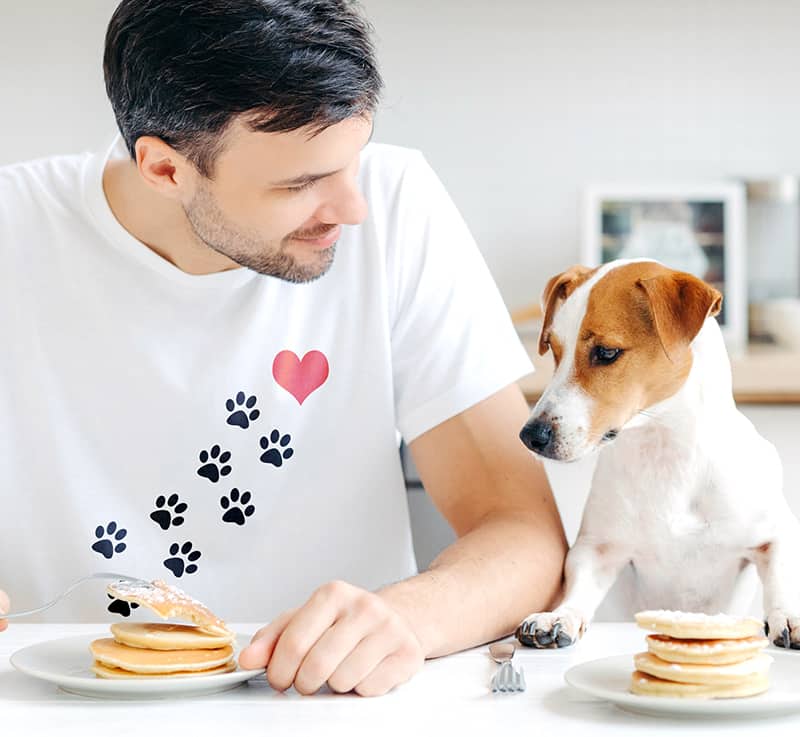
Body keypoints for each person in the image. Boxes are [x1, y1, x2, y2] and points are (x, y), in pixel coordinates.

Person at [0, 0, 567, 696]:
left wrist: (406, 618)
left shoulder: (396, 205)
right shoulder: (13, 232)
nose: (351, 208)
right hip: (60, 701)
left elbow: (524, 532)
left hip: (327, 703)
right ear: (165, 169)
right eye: (300, 184)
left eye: (352, 160)